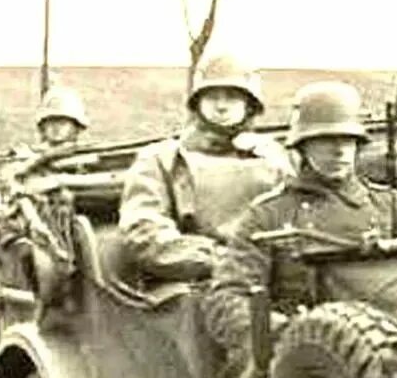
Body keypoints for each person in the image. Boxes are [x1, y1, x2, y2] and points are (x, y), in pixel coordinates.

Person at [203, 81, 397, 367]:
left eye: (347, 140)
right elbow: (227, 301)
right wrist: (291, 332)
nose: (339, 150)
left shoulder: (388, 205)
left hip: (394, 349)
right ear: (303, 146)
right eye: (326, 140)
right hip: (303, 361)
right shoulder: (268, 214)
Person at [115, 53, 292, 286]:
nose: (221, 106)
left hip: (274, 275)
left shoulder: (274, 157)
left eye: (232, 97)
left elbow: (300, 217)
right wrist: (218, 259)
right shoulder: (161, 158)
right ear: (197, 103)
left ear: (249, 105)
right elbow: (144, 230)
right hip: (197, 281)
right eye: (212, 97)